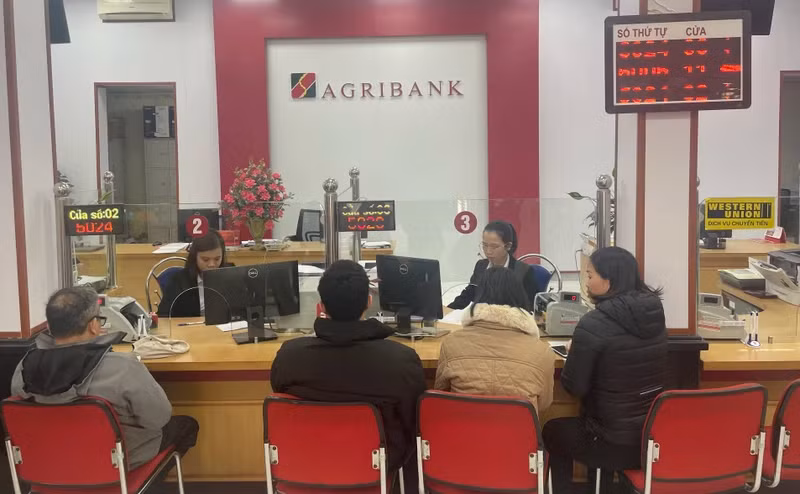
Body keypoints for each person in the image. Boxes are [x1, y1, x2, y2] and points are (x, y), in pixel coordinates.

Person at [271, 260, 426, 489]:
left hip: (305, 460)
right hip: (376, 463)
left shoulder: (289, 357)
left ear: (321, 306)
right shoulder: (400, 360)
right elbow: (412, 422)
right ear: (369, 301)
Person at [11, 287, 199, 469]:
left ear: (50, 327)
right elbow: (158, 418)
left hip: (48, 464)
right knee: (186, 426)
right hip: (113, 462)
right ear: (94, 326)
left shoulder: (24, 368)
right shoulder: (122, 367)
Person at [543, 247, 668, 493]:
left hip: (610, 441)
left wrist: (573, 353)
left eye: (590, 276)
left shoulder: (593, 324)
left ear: (608, 281)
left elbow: (574, 387)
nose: (586, 282)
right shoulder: (654, 312)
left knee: (552, 430)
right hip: (652, 436)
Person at [435, 267, 555, 415]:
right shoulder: (543, 352)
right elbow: (544, 404)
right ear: (520, 296)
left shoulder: (451, 343)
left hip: (462, 435)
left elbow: (441, 395)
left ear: (479, 296)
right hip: (517, 436)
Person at [448, 221, 539, 310]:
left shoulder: (523, 271)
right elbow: (469, 294)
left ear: (508, 246)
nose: (488, 251)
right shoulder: (481, 266)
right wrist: (447, 311)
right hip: (482, 319)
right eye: (485, 245)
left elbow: (530, 307)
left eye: (494, 247)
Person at [157, 228, 232, 317]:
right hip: (190, 329)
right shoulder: (179, 280)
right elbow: (163, 316)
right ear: (195, 257)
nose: (212, 264)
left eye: (217, 259)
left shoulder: (230, 275)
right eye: (205, 259)